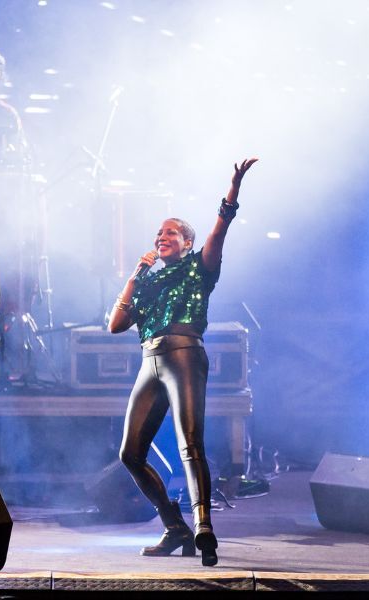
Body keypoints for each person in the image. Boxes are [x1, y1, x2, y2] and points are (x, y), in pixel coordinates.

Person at [107, 158, 258, 567]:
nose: (162, 237)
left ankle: (204, 525)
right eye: (158, 233)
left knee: (190, 443)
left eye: (170, 231)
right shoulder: (150, 280)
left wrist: (233, 189)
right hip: (149, 360)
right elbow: (116, 324)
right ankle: (175, 527)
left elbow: (220, 229)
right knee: (130, 452)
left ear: (187, 242)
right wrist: (136, 274)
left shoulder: (200, 267)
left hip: (184, 354)